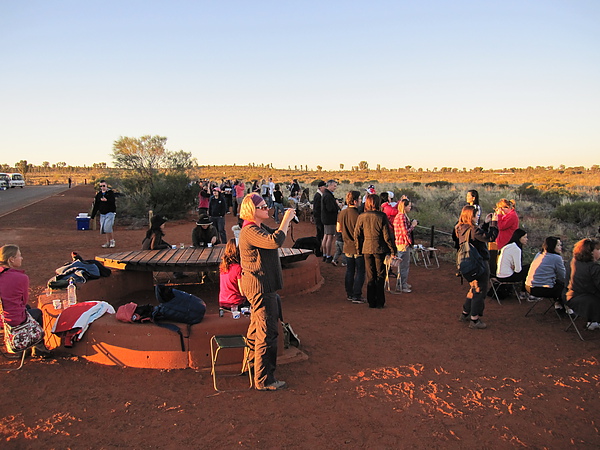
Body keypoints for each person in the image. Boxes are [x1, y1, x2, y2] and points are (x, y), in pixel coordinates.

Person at [239, 193, 296, 391]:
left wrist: (285, 222)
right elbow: (274, 241)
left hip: (261, 286)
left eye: (266, 205)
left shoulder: (257, 228)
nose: (267, 208)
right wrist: (286, 219)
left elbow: (276, 235)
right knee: (267, 332)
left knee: (257, 330)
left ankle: (254, 368)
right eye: (262, 206)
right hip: (260, 287)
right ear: (252, 210)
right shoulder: (250, 231)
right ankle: (265, 379)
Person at [0, 244, 51, 356]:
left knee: (27, 308)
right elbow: (23, 301)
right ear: (11, 259)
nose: (21, 258)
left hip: (2, 317)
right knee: (37, 313)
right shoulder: (21, 278)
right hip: (12, 320)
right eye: (19, 256)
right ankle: (38, 349)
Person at [455, 205, 497, 329]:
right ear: (470, 216)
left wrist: (485, 224)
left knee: (473, 288)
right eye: (476, 215)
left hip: (468, 264)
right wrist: (494, 224)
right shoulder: (473, 230)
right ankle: (474, 319)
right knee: (480, 290)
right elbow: (490, 237)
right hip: (479, 263)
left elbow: (477, 237)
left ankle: (465, 313)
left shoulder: (460, 227)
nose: (478, 216)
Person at [354, 194, 396, 309]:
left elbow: (357, 234)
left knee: (370, 275)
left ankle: (371, 301)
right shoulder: (382, 216)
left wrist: (358, 249)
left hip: (366, 248)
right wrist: (392, 250)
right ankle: (380, 301)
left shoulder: (361, 216)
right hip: (379, 248)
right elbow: (387, 235)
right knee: (380, 275)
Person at [337, 190, 365, 303]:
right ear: (355, 201)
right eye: (359, 199)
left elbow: (338, 229)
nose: (360, 201)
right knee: (360, 271)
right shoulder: (358, 215)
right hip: (358, 247)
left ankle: (349, 293)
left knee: (350, 270)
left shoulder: (342, 213)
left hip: (347, 246)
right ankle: (357, 295)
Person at [566, 238, 600, 330]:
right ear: (591, 252)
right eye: (598, 249)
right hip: (586, 300)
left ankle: (592, 321)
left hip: (569, 296)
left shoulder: (572, 261)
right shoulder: (593, 268)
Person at [525, 236, 567, 311]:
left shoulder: (539, 254)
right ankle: (567, 308)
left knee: (557, 284)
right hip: (541, 289)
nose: (560, 247)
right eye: (558, 245)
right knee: (565, 286)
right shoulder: (556, 258)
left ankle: (558, 304)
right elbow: (563, 276)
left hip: (528, 287)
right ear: (552, 246)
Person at [393, 199, 418, 293]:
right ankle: (401, 285)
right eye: (409, 206)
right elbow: (405, 232)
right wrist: (413, 225)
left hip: (401, 243)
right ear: (404, 206)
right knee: (403, 265)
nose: (410, 208)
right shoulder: (401, 217)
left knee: (404, 265)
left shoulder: (400, 216)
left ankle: (403, 283)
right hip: (403, 243)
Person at [495, 228, 530, 297]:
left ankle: (523, 292)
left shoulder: (507, 246)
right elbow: (518, 270)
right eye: (525, 237)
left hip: (499, 275)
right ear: (519, 238)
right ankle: (523, 292)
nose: (527, 239)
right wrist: (515, 267)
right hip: (507, 277)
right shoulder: (516, 249)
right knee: (529, 268)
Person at [219, 239, 249, 311]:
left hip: (223, 302)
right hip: (236, 303)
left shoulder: (223, 266)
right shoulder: (238, 268)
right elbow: (242, 292)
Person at [90, 180, 117, 248]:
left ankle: (112, 241)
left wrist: (107, 200)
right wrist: (93, 215)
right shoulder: (99, 195)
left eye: (104, 186)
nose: (102, 187)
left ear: (106, 186)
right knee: (104, 229)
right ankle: (108, 242)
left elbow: (112, 201)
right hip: (102, 214)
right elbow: (96, 205)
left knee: (107, 227)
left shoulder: (110, 193)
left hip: (110, 213)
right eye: (101, 186)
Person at [321, 180, 340, 263]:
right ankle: (328, 255)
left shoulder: (325, 194)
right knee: (329, 237)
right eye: (334, 186)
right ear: (330, 185)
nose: (335, 188)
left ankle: (325, 254)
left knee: (326, 236)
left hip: (326, 219)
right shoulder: (328, 196)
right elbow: (330, 208)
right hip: (330, 219)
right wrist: (337, 205)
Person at [313, 181, 326, 251]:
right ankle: (318, 250)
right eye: (324, 186)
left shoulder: (319, 195)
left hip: (318, 218)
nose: (325, 188)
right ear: (320, 187)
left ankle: (318, 249)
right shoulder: (318, 196)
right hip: (319, 218)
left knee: (320, 234)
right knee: (320, 234)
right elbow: (317, 208)